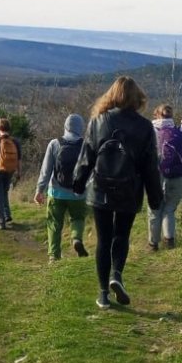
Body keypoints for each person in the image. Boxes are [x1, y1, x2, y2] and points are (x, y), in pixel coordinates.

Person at [72, 77, 163, 309]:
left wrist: (78, 183)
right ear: (137, 98)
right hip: (129, 189)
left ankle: (103, 294)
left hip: (101, 188)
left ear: (111, 95)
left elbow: (87, 156)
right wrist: (155, 198)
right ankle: (117, 275)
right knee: (121, 236)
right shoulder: (145, 127)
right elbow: (150, 166)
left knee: (103, 240)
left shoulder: (98, 121)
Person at [35, 114, 88, 261]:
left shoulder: (55, 143)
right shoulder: (87, 145)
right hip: (78, 194)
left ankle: (54, 256)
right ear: (81, 128)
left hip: (56, 193)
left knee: (54, 223)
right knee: (77, 218)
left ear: (65, 126)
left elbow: (46, 170)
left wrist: (39, 190)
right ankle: (76, 238)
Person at [149, 104, 182, 251]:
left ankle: (153, 244)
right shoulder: (180, 130)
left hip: (157, 174)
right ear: (171, 116)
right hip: (178, 174)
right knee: (169, 208)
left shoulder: (151, 130)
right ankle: (169, 240)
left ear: (156, 115)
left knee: (155, 209)